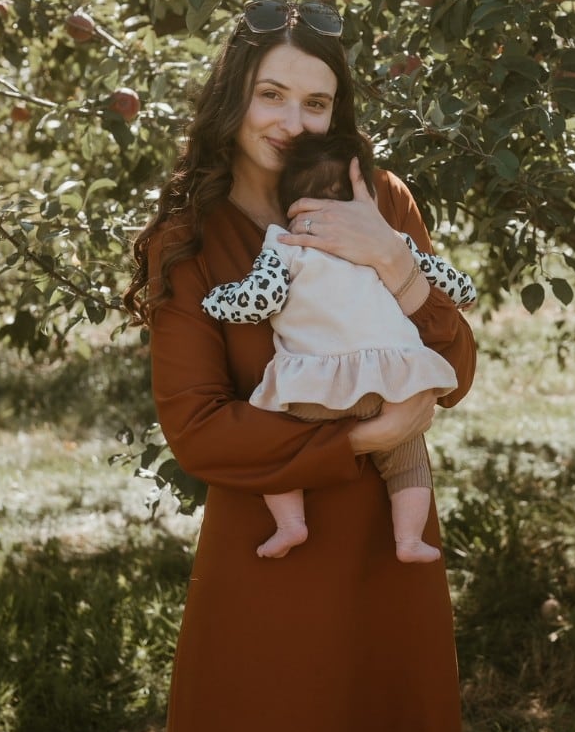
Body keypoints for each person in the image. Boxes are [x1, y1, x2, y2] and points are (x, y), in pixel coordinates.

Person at [124, 0, 477, 732]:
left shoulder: (381, 200)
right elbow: (199, 432)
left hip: (392, 546)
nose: (292, 121)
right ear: (234, 99)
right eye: (271, 94)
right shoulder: (191, 240)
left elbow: (455, 370)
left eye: (315, 102)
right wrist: (365, 438)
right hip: (270, 548)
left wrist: (391, 259)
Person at [201, 130, 477, 563]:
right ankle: (408, 538)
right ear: (363, 194)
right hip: (391, 382)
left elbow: (261, 299)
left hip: (314, 390)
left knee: (273, 442)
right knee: (407, 456)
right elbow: (446, 281)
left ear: (289, 201)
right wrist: (465, 291)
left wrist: (215, 301)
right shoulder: (386, 239)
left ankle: (291, 523)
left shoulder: (283, 244)